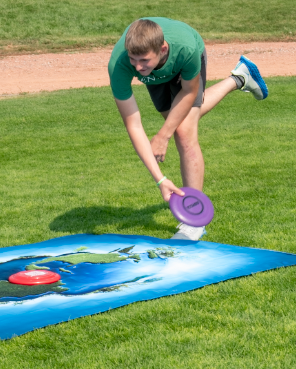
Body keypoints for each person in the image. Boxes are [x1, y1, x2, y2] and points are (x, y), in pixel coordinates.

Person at [108, 18, 268, 240]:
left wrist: (163, 135)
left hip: (182, 63)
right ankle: (240, 78)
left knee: (183, 131)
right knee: (179, 120)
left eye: (143, 60)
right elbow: (133, 124)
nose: (137, 67)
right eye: (133, 60)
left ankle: (194, 221)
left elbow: (189, 92)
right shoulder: (120, 64)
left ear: (162, 49)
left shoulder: (186, 49)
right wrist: (160, 180)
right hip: (157, 76)